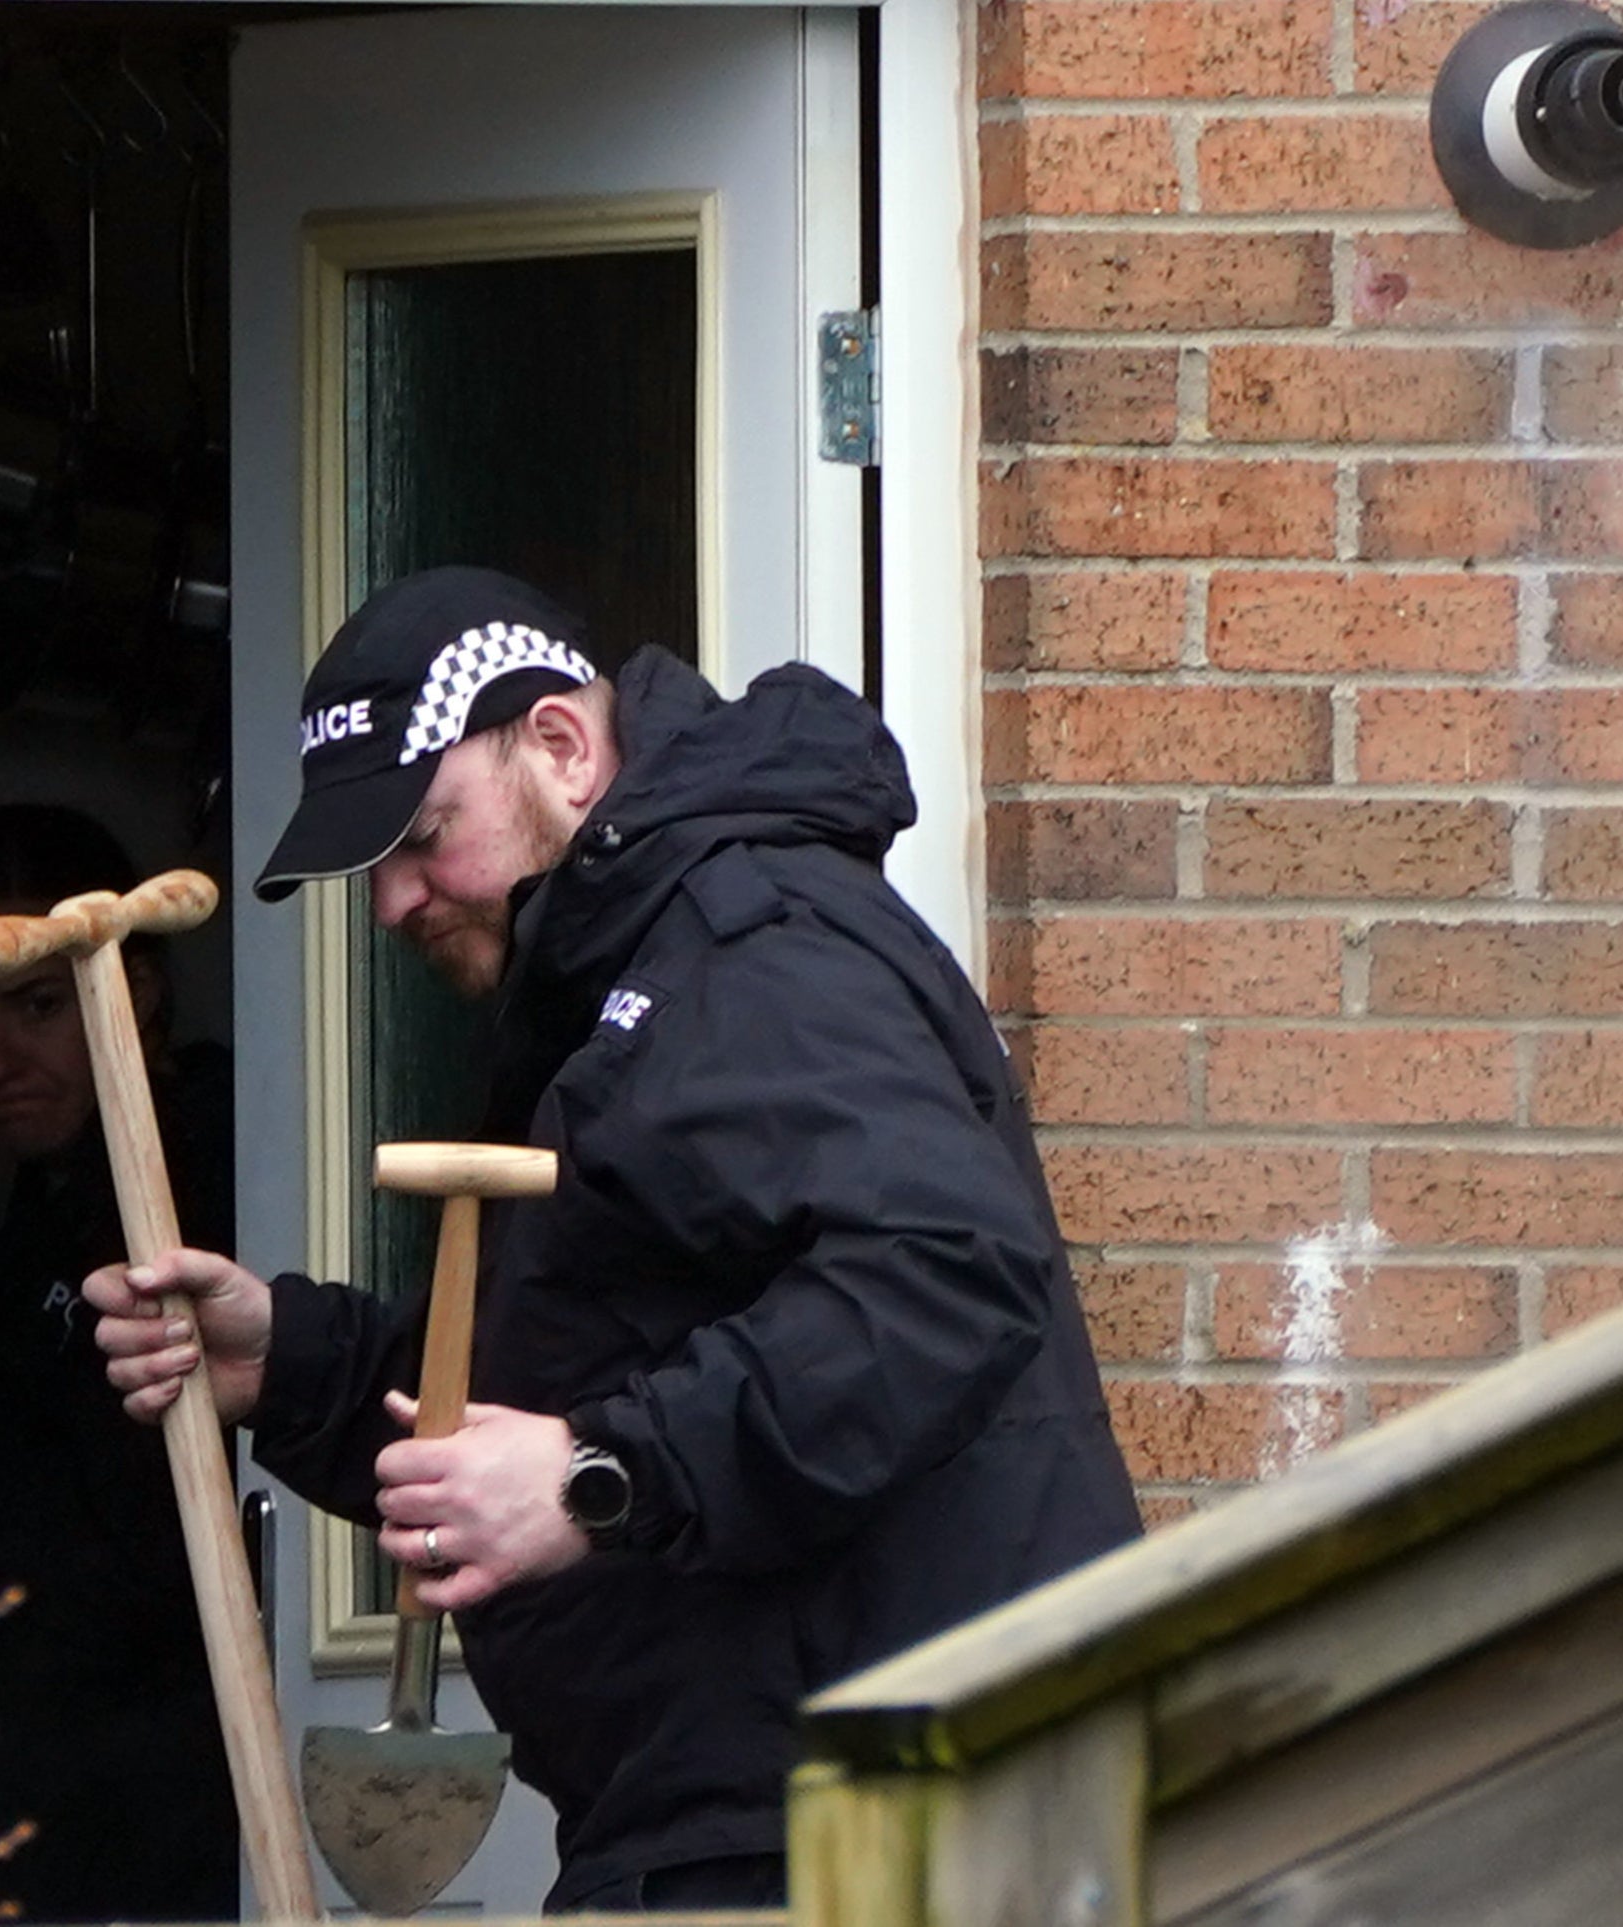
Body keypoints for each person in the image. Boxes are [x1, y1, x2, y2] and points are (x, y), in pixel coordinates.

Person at [87, 566, 1141, 1912]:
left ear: (562, 747)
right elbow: (576, 1376)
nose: (393, 901)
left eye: (423, 835)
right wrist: (289, 1361)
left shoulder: (749, 946)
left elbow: (942, 1272)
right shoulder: (631, 979)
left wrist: (600, 1476)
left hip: (854, 1832)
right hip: (764, 1813)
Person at [0, 803, 239, 1924]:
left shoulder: (213, 1173)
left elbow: (111, 1557)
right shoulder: (47, 1210)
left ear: (136, 987)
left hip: (166, 1827)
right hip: (60, 1804)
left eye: (34, 1006)